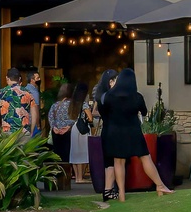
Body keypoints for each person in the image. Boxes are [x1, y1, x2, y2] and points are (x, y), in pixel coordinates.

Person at [97, 68, 172, 202]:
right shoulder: (137, 97)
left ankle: (122, 194)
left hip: (114, 133)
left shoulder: (108, 96)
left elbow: (104, 112)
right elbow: (143, 112)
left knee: (118, 162)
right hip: (133, 132)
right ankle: (160, 185)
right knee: (145, 158)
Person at [0, 67, 39, 140]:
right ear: (19, 79)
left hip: (7, 132)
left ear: (7, 78)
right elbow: (34, 113)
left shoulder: (0, 93)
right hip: (24, 132)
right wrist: (31, 130)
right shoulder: (28, 93)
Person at [66, 82, 93, 185]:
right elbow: (90, 118)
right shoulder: (84, 104)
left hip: (74, 128)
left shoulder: (72, 103)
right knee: (83, 152)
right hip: (82, 129)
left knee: (75, 153)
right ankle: (81, 177)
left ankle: (77, 177)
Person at [47, 88, 75, 166]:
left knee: (57, 153)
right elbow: (76, 118)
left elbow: (50, 117)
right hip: (69, 132)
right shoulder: (73, 105)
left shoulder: (55, 105)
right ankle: (68, 172)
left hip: (56, 132)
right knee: (68, 153)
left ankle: (58, 171)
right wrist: (68, 126)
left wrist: (54, 127)